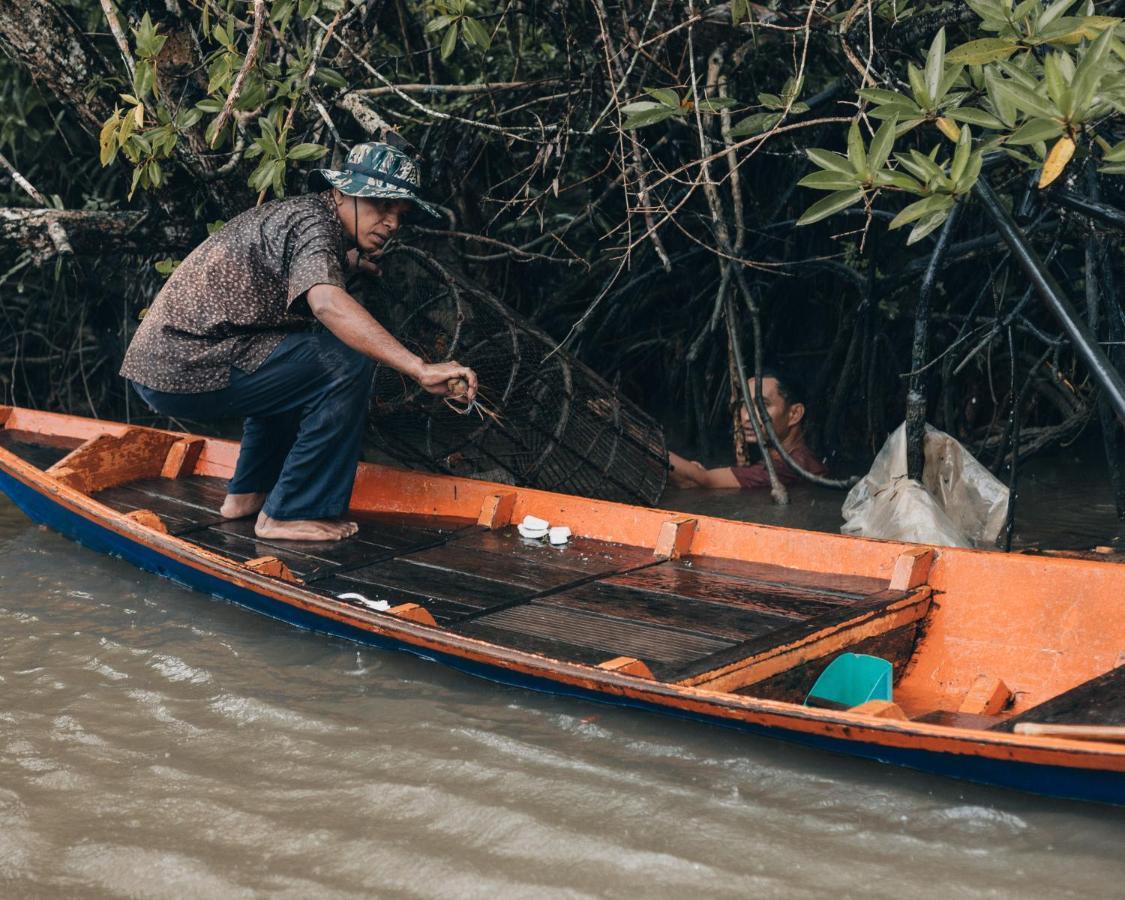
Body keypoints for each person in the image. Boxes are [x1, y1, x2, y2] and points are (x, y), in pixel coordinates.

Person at [121, 140, 477, 541]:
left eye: (400, 213)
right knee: (342, 362)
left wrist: (346, 262)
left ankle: (246, 495)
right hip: (184, 367)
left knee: (296, 364)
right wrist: (419, 367)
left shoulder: (305, 217)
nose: (392, 223)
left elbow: (298, 268)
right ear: (342, 192)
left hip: (164, 366)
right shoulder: (314, 226)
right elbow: (326, 303)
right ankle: (291, 513)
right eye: (381, 206)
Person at [668, 367, 826, 489]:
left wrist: (645, 441)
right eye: (745, 405)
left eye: (763, 404)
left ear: (794, 414)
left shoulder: (789, 468)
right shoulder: (792, 461)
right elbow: (695, 481)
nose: (746, 416)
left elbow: (700, 480)